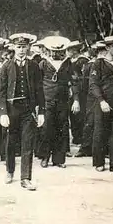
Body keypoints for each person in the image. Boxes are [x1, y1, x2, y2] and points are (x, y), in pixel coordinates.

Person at [0, 33, 45, 190]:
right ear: (13, 48)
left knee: (28, 142)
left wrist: (42, 111)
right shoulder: (6, 66)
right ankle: (10, 170)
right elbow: (1, 92)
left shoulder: (34, 66)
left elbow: (39, 90)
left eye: (24, 47)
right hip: (12, 109)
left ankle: (25, 177)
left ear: (29, 48)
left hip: (28, 110)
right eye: (18, 47)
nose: (22, 50)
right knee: (11, 142)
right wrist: (2, 112)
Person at [37, 36, 80, 168]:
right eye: (53, 51)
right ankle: (45, 157)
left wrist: (76, 100)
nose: (56, 54)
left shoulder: (68, 63)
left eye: (59, 51)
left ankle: (59, 159)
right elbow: (37, 84)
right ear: (49, 51)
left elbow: (74, 81)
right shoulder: (43, 63)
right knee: (46, 129)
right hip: (47, 101)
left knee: (62, 129)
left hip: (63, 101)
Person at [90, 35, 113, 174]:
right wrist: (101, 100)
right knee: (100, 132)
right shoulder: (99, 63)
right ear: (107, 48)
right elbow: (93, 84)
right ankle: (99, 162)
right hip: (103, 103)